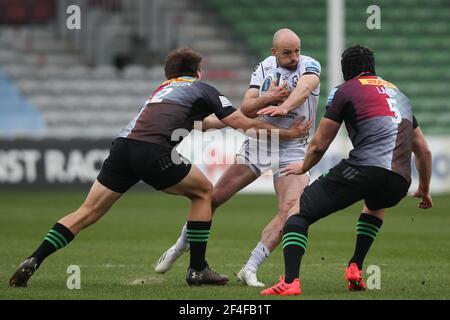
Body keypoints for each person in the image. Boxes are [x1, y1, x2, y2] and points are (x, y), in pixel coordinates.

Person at [9, 47, 311, 288]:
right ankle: (197, 269)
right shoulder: (201, 87)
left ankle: (35, 259)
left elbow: (205, 124)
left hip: (123, 147)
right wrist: (288, 133)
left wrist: (249, 109)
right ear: (197, 72)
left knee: (87, 211)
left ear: (169, 73)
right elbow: (241, 123)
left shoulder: (161, 91)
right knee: (205, 191)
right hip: (153, 150)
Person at [260, 44, 433, 296]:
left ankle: (290, 281)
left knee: (298, 212)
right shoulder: (400, 95)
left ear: (346, 71)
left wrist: (303, 166)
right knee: (375, 204)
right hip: (399, 180)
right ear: (372, 66)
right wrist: (424, 189)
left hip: (365, 168)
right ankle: (355, 267)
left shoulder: (345, 90)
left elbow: (319, 144)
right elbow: (424, 151)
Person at [154, 29, 321, 287]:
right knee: (214, 197)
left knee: (290, 211)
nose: (294, 57)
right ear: (274, 52)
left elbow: (306, 86)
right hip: (260, 143)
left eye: (297, 50)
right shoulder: (264, 68)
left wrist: (285, 106)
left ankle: (250, 268)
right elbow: (246, 108)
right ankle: (179, 246)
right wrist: (269, 98)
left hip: (294, 147)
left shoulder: (309, 65)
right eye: (287, 53)